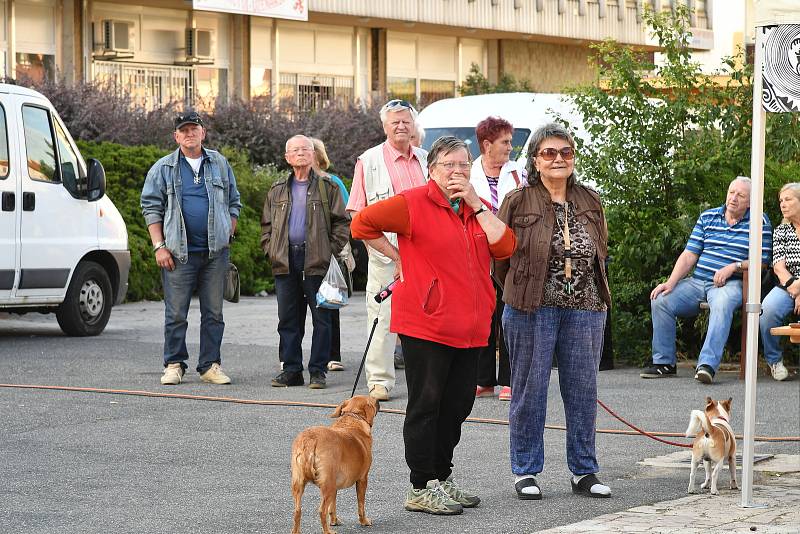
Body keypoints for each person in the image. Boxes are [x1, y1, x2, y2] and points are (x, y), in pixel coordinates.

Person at [351, 136, 516, 515]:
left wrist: (476, 205)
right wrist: (397, 257)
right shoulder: (413, 203)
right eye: (448, 165)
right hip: (426, 323)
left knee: (458, 405)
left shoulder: (475, 208)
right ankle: (420, 484)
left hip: (471, 325)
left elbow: (505, 246)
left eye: (463, 165)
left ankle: (442, 476)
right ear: (432, 170)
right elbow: (362, 223)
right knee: (426, 405)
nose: (456, 171)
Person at [495, 123, 611, 500]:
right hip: (531, 308)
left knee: (582, 392)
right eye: (549, 152)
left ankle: (584, 471)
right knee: (530, 392)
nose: (558, 159)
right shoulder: (517, 200)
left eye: (566, 152)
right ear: (534, 159)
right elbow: (499, 257)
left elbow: (601, 251)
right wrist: (520, 290)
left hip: (586, 308)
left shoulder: (590, 199)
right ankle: (525, 471)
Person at [141, 110, 241, 386]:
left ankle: (210, 366)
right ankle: (174, 364)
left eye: (193, 129)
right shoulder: (163, 168)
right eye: (183, 130)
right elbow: (151, 207)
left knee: (214, 313)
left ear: (203, 133)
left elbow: (234, 201)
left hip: (215, 254)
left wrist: (227, 232)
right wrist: (159, 246)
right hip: (177, 254)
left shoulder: (219, 163)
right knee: (175, 313)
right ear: (176, 136)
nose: (189, 134)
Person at [642, 176, 772, 384]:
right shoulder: (708, 217)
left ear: (750, 201)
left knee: (721, 303)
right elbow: (689, 255)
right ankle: (664, 363)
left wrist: (734, 267)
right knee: (661, 299)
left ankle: (707, 365)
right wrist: (670, 282)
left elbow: (762, 261)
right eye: (732, 192)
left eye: (741, 195)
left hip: (730, 284)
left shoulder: (760, 222)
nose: (734, 198)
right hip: (697, 282)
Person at [347, 99, 428, 401]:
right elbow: (357, 215)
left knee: (427, 316)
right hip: (386, 256)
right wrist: (393, 255)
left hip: (425, 254)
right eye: (394, 122)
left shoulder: (427, 159)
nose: (400, 126)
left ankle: (427, 380)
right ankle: (379, 382)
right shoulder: (368, 161)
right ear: (384, 126)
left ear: (413, 125)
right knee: (382, 318)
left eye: (405, 121)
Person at [261, 135, 350, 390]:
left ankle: (318, 371)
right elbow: (266, 226)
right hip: (285, 261)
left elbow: (343, 223)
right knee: (288, 319)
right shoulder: (277, 188)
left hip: (317, 261)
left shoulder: (327, 187)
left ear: (313, 155)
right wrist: (271, 250)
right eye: (295, 150)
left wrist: (327, 250)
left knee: (322, 319)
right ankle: (291, 370)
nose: (300, 153)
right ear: (287, 158)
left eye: (305, 149)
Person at [470, 116, 524, 402]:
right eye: (505, 142)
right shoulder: (467, 174)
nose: (510, 147)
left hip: (509, 255)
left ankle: (509, 380)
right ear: (487, 145)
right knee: (482, 317)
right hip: (477, 255)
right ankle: (483, 380)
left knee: (508, 316)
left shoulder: (519, 174)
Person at [308, 136, 354, 373]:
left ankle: (332, 355)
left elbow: (347, 216)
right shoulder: (293, 182)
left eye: (307, 150)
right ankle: (291, 357)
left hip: (328, 254)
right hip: (302, 255)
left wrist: (334, 248)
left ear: (316, 155)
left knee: (329, 303)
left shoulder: (333, 182)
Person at [759, 183, 799, 381]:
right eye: (781, 201)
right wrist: (796, 290)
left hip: (796, 286)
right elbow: (778, 267)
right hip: (788, 286)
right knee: (767, 310)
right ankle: (774, 360)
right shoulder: (781, 231)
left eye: (788, 199)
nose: (783, 204)